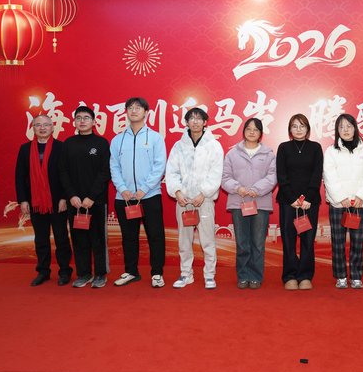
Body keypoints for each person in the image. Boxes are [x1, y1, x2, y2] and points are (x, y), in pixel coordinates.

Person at [110, 97, 167, 288]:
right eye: (130, 108)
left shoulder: (155, 138)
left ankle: (157, 273)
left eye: (138, 107)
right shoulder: (118, 139)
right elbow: (114, 166)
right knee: (128, 237)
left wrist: (144, 189)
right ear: (126, 112)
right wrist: (123, 189)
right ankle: (131, 271)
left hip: (149, 196)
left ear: (146, 113)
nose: (134, 110)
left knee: (155, 236)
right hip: (124, 198)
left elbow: (159, 166)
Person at [166, 107, 223, 289]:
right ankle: (186, 274)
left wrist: (203, 193)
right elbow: (172, 171)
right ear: (186, 122)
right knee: (184, 240)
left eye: (199, 118)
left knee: (207, 240)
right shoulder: (179, 146)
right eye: (191, 118)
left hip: (204, 200)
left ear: (205, 122)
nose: (195, 121)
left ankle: (209, 275)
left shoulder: (213, 146)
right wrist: (177, 192)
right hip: (184, 201)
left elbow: (216, 173)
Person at [15, 115, 73, 286]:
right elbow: (20, 176)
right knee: (41, 239)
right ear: (33, 128)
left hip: (57, 201)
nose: (42, 128)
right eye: (38, 125)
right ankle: (43, 271)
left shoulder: (61, 147)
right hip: (36, 202)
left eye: (46, 125)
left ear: (52, 127)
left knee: (61, 238)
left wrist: (64, 197)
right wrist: (23, 200)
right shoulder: (25, 149)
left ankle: (65, 271)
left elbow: (67, 175)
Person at [59, 106, 111, 288]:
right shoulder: (68, 143)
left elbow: (105, 172)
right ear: (74, 121)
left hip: (96, 201)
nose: (82, 121)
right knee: (79, 238)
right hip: (75, 202)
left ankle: (100, 274)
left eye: (86, 118)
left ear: (94, 121)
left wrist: (92, 197)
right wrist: (71, 195)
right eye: (78, 118)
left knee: (98, 239)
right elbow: (63, 172)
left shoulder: (101, 143)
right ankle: (84, 273)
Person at [221, 118, 276, 289]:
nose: (252, 132)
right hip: (239, 202)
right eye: (248, 129)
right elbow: (225, 177)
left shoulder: (269, 154)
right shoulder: (232, 154)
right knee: (242, 243)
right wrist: (238, 188)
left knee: (258, 243)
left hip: (261, 203)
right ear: (243, 131)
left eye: (256, 129)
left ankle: (256, 276)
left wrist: (256, 189)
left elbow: (272, 176)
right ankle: (243, 275)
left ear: (260, 133)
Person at [323, 113, 363, 289]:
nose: (345, 130)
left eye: (349, 126)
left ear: (355, 128)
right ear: (337, 131)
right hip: (339, 204)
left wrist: (361, 196)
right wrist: (341, 197)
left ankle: (356, 276)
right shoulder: (331, 152)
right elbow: (329, 176)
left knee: (358, 242)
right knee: (338, 242)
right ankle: (340, 276)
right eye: (341, 127)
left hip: (359, 204)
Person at [276, 114, 323, 290]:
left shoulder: (316, 148)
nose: (298, 129)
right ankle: (289, 276)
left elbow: (317, 175)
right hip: (288, 202)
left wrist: (308, 198)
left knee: (307, 239)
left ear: (308, 129)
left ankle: (305, 276)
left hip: (310, 202)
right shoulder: (283, 148)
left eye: (302, 126)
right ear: (289, 129)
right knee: (288, 239)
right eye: (294, 126)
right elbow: (281, 175)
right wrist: (292, 199)